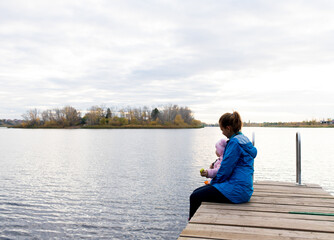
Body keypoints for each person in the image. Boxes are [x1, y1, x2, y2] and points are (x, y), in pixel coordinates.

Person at [189, 111, 257, 220]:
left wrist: (213, 183)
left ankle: (192, 222)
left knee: (195, 196)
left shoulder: (234, 143)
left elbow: (225, 169)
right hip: (244, 188)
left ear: (228, 128)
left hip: (236, 190)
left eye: (222, 129)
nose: (222, 133)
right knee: (197, 192)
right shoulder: (244, 140)